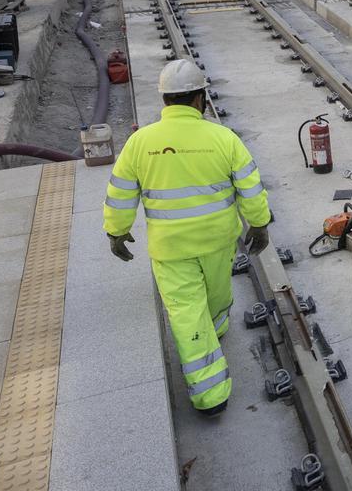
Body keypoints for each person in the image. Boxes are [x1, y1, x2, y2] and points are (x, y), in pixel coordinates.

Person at [103, 60, 271, 415]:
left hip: (171, 249)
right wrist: (259, 224)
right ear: (200, 99)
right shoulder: (223, 138)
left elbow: (119, 193)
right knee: (217, 291)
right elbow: (251, 189)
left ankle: (210, 396)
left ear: (165, 99)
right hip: (219, 240)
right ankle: (214, 345)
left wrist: (117, 232)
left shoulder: (140, 142)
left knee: (186, 310)